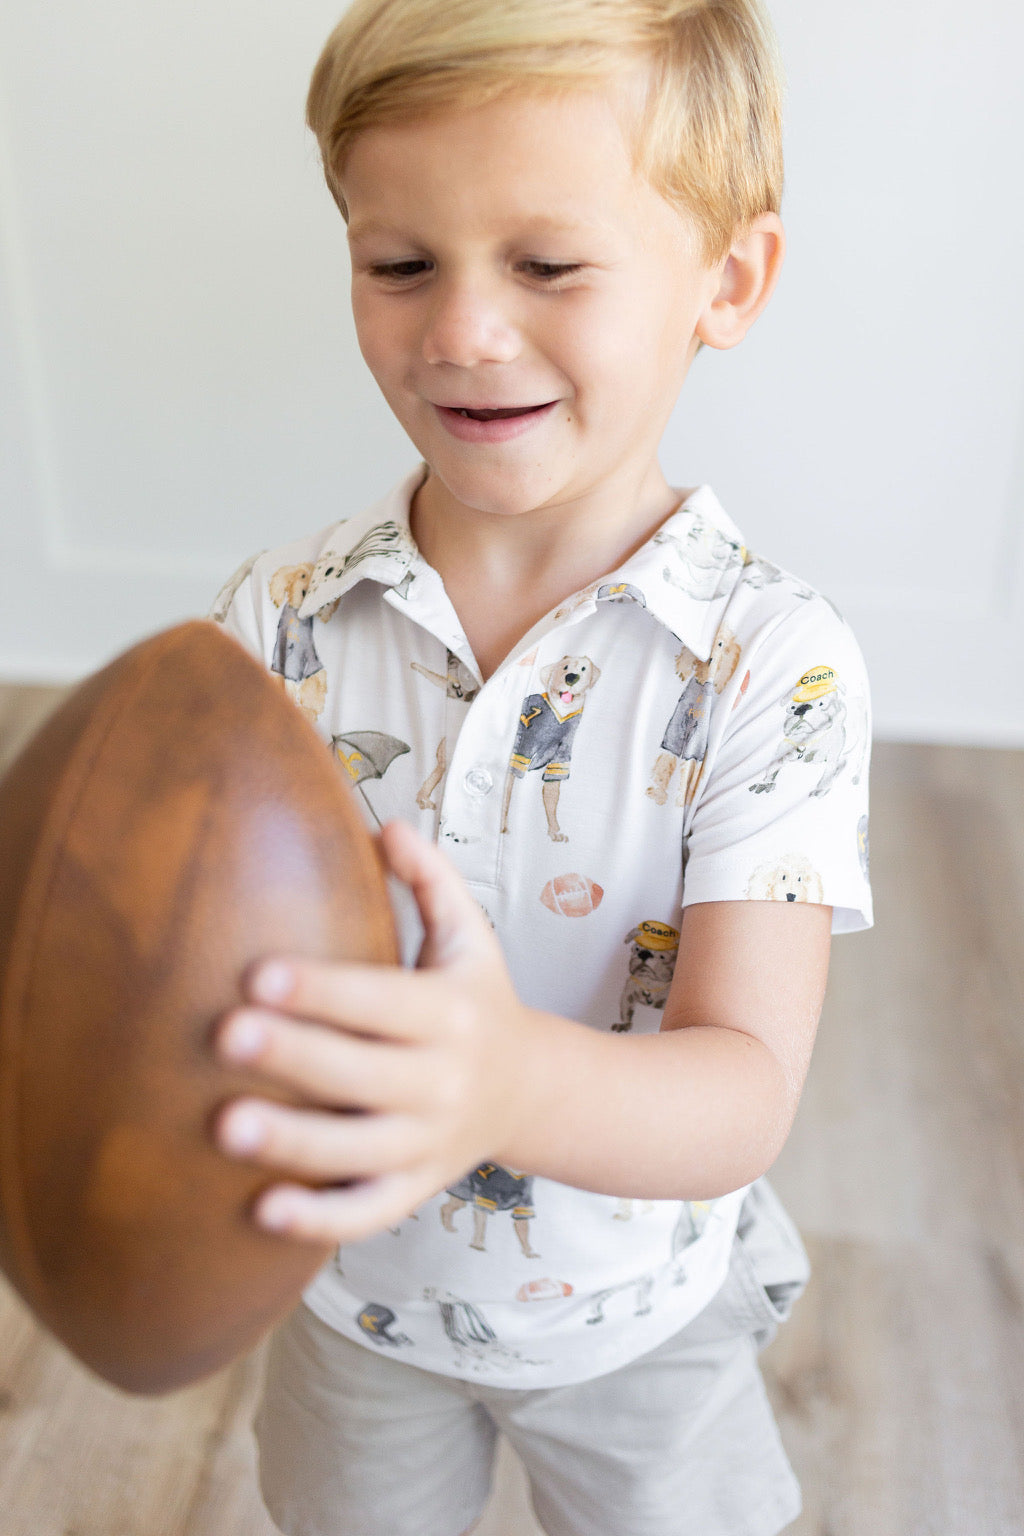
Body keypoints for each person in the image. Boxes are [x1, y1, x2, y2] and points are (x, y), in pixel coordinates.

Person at [208, 2, 873, 1532]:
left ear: (729, 279)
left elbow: (744, 1091)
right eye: (400, 264)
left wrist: (499, 1078)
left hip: (641, 1322)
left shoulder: (770, 664)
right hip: (354, 1309)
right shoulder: (280, 619)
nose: (460, 331)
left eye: (549, 265)